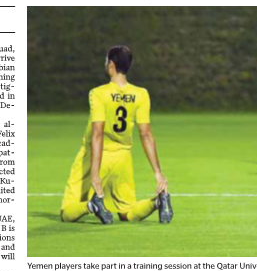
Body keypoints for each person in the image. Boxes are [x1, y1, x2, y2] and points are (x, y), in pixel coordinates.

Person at [59, 44, 172, 225]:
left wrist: (95, 173)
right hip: (122, 159)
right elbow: (146, 135)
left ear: (111, 64)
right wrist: (158, 173)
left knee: (67, 213)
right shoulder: (141, 94)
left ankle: (92, 206)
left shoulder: (98, 93)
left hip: (97, 157)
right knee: (127, 212)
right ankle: (158, 202)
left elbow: (97, 134)